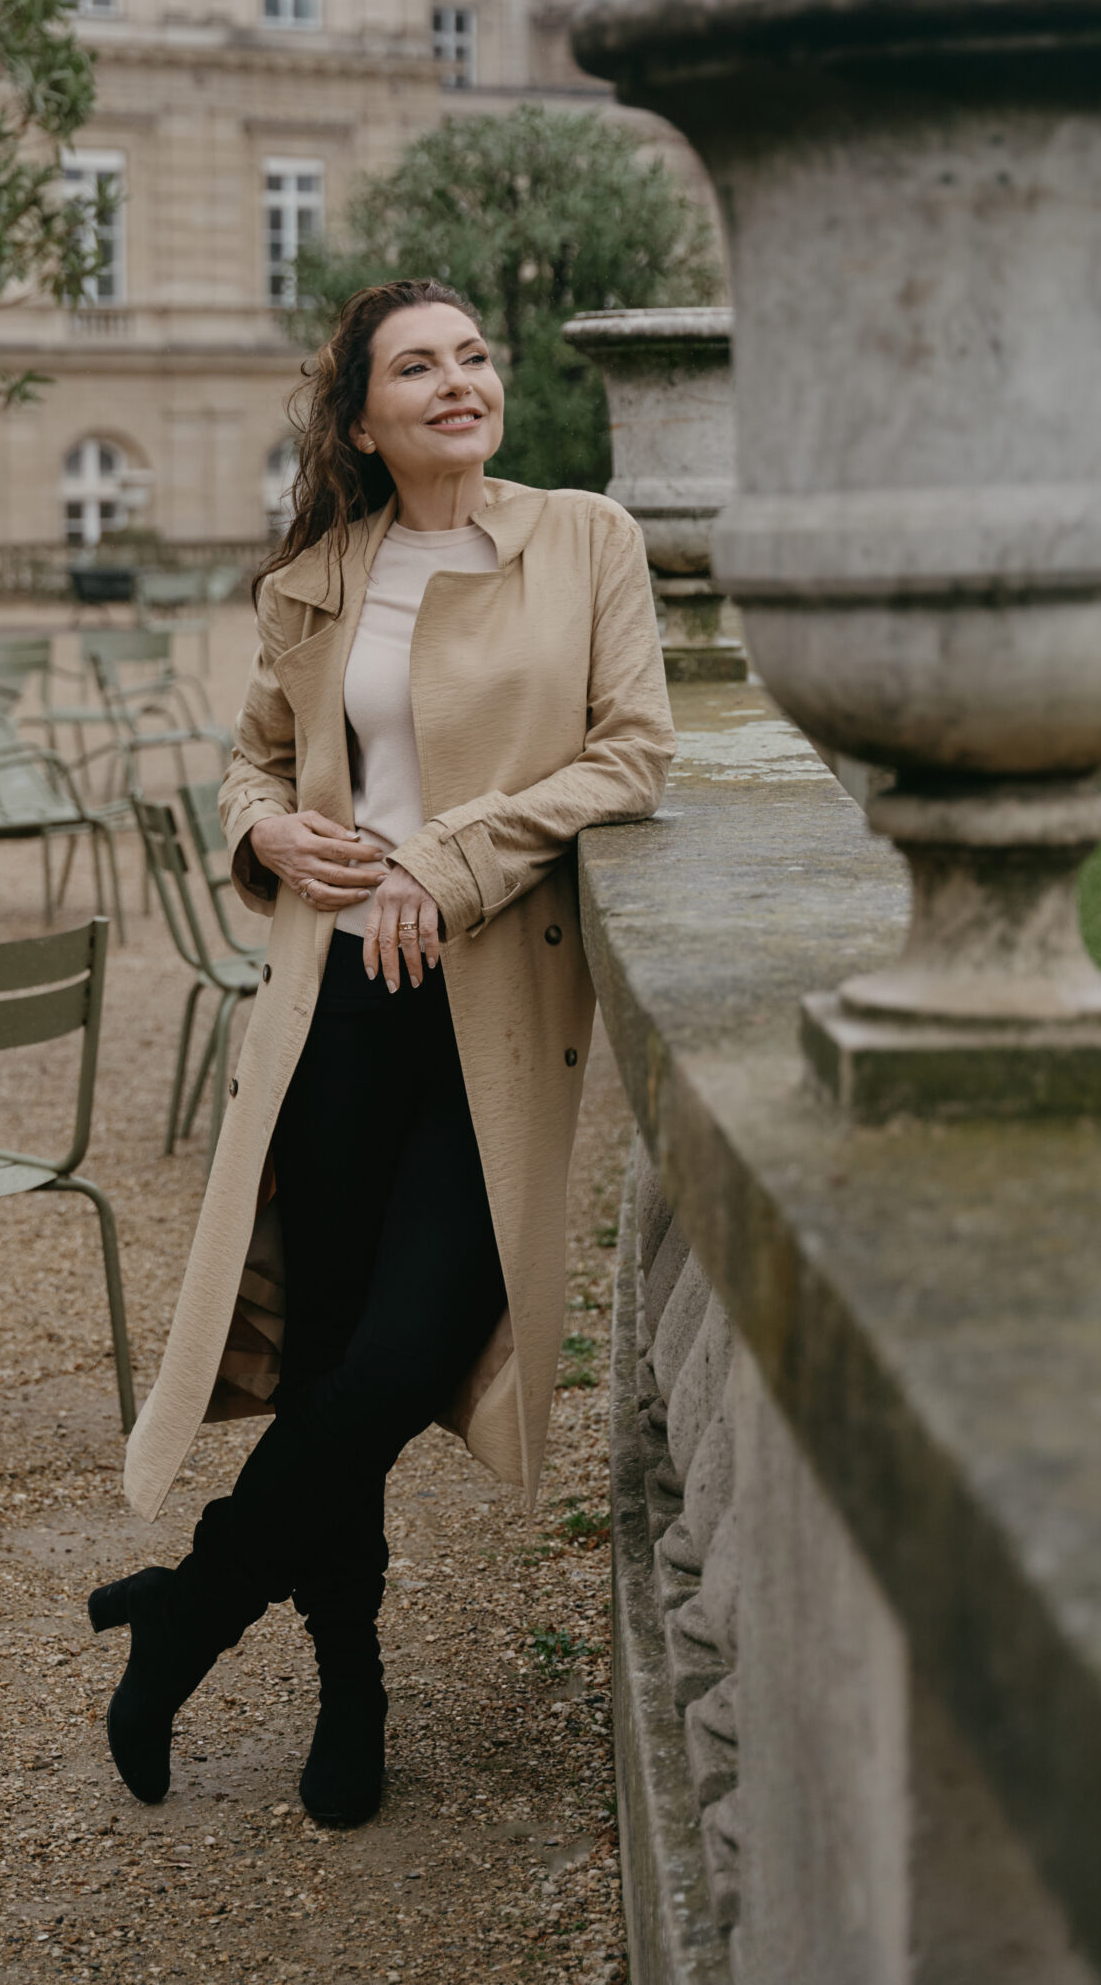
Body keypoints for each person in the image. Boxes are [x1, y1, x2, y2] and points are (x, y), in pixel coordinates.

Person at [90, 279, 675, 1825]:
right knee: (333, 1363)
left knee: (407, 1359)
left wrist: (452, 855)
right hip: (336, 1012)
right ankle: (352, 1694)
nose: (461, 380)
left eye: (474, 356)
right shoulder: (321, 574)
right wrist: (267, 826)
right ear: (363, 417)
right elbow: (253, 758)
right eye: (420, 365)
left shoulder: (585, 541)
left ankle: (191, 1606)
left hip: (494, 1014)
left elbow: (633, 752)